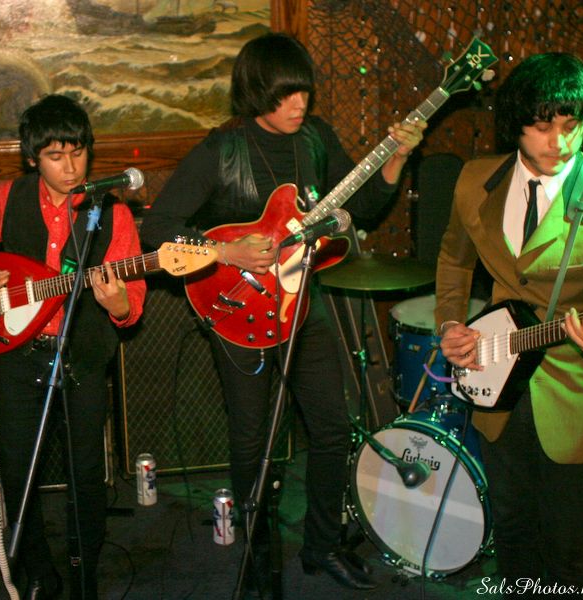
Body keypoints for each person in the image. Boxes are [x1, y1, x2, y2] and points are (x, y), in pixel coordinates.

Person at [139, 32, 425, 593]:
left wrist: (396, 158)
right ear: (255, 93)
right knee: (252, 440)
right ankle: (258, 553)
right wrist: (225, 251)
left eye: (304, 93)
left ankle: (322, 545)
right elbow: (157, 228)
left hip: (300, 304)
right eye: (286, 95)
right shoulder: (221, 150)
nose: (300, 105)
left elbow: (367, 205)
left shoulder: (316, 139)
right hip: (236, 307)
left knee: (333, 428)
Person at [0, 94, 146, 600]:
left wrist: (119, 302)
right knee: (17, 470)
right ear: (33, 157)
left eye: (78, 153)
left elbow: (133, 304)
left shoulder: (112, 213)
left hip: (82, 357)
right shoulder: (10, 196)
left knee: (86, 475)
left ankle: (84, 574)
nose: (71, 167)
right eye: (56, 156)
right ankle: (37, 571)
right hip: (17, 352)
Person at [436, 52, 583, 595]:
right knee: (512, 533)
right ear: (516, 124)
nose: (558, 142)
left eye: (571, 125)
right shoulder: (475, 181)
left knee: (567, 548)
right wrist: (450, 324)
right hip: (496, 384)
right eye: (541, 126)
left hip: (577, 394)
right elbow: (453, 260)